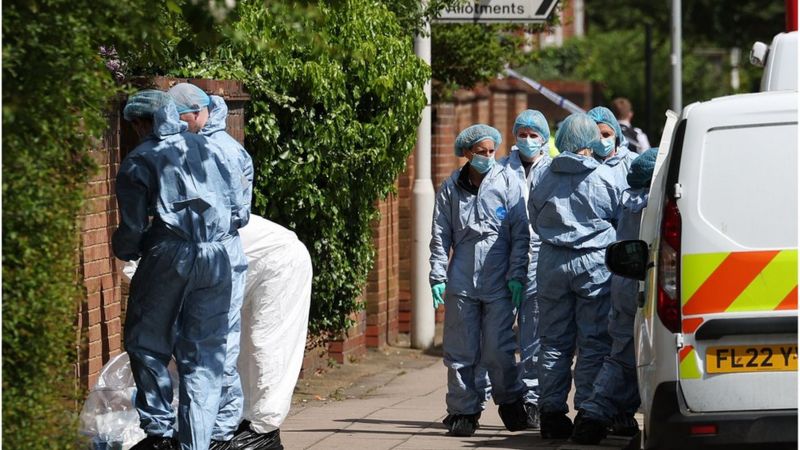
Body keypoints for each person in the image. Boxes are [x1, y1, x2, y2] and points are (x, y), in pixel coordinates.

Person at [114, 90, 237, 450]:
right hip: (218, 256)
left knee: (147, 343)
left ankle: (159, 434)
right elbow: (237, 210)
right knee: (204, 356)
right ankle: (197, 442)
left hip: (170, 254)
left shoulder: (140, 159)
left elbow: (133, 229)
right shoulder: (211, 148)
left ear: (142, 123)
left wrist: (124, 248)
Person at [167, 83, 253, 449]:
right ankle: (218, 426)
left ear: (198, 113)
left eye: (178, 117)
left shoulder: (221, 150)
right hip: (213, 254)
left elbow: (238, 211)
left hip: (217, 254)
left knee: (216, 347)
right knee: (207, 345)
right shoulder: (211, 145)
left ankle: (221, 428)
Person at [430, 124, 530, 437]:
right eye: (481, 152)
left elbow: (520, 234)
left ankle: (511, 402)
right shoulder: (451, 187)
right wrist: (437, 275)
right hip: (462, 278)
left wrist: (516, 274)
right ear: (467, 153)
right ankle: (463, 411)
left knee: (499, 349)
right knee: (461, 350)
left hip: (499, 278)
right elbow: (439, 234)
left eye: (491, 152)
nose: (488, 157)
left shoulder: (508, 181)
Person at [529, 113, 623, 439]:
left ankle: (552, 413)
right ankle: (588, 411)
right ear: (590, 142)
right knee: (594, 342)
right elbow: (619, 220)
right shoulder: (605, 178)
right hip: (594, 263)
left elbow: (534, 215)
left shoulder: (542, 177)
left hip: (552, 261)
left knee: (553, 342)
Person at [572, 148, 658, 445]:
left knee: (623, 356)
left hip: (624, 284)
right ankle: (596, 415)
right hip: (642, 285)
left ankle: (602, 414)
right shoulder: (651, 203)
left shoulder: (630, 200)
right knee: (633, 358)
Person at [233, 214, 313, 450]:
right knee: (241, 350)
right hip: (252, 268)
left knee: (266, 346)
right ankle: (245, 424)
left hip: (282, 263)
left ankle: (262, 431)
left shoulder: (169, 244)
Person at [499, 109, 553, 429]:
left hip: (539, 257)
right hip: (503, 257)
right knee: (498, 336)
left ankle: (532, 399)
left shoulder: (551, 171)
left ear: (544, 138)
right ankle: (507, 396)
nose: (528, 140)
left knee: (533, 337)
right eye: (523, 133)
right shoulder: (502, 170)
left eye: (534, 135)